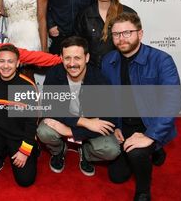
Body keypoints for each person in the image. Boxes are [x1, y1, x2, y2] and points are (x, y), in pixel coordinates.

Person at [101, 12, 181, 201]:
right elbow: (107, 100)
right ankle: (154, 151)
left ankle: (144, 190)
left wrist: (150, 136)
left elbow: (174, 101)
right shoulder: (108, 61)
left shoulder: (162, 60)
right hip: (124, 124)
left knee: (137, 154)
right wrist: (115, 127)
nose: (122, 38)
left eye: (127, 32)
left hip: (151, 124)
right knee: (117, 176)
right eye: (116, 34)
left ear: (140, 33)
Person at [37, 36, 120, 177]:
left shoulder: (99, 80)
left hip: (87, 128)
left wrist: (71, 132)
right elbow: (50, 108)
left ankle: (86, 153)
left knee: (111, 149)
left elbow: (110, 121)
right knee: (44, 131)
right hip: (76, 121)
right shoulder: (54, 74)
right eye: (67, 58)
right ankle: (59, 151)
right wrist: (83, 122)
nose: (72, 63)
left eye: (77, 58)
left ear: (86, 58)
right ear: (61, 58)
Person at [0, 44, 39, 187]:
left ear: (17, 63)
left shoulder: (26, 87)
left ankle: (33, 150)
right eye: (2, 61)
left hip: (19, 136)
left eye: (10, 61)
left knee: (25, 181)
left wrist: (25, 150)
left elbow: (31, 122)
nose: (5, 66)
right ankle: (0, 154)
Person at [75, 0, 136, 68]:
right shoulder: (84, 15)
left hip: (122, 68)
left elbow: (134, 45)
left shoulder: (129, 14)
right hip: (92, 70)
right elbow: (78, 45)